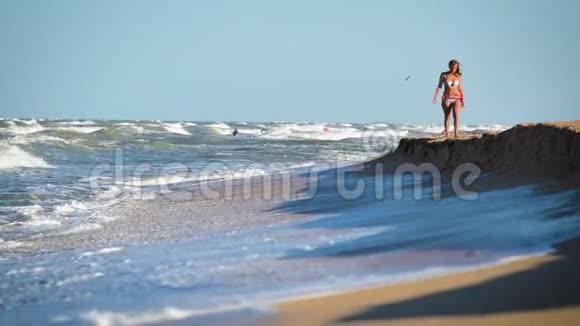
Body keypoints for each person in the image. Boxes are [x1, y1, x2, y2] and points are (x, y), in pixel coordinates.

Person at [433, 59, 465, 137]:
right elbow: (439, 86)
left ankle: (456, 134)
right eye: (451, 67)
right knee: (447, 116)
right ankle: (447, 134)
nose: (452, 68)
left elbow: (460, 88)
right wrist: (436, 97)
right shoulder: (444, 75)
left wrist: (463, 100)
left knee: (456, 116)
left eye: (454, 67)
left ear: (457, 67)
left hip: (457, 98)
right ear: (449, 66)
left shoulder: (459, 75)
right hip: (447, 97)